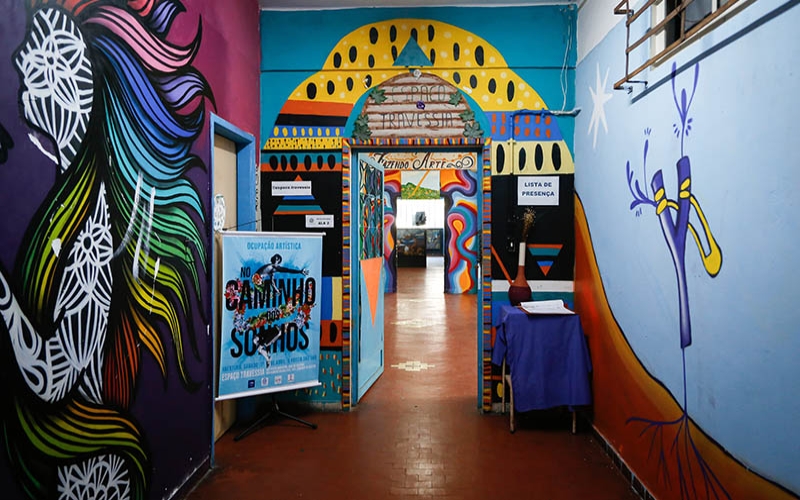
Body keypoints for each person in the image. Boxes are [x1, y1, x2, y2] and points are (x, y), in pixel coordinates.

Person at [0, 2, 212, 498]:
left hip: (86, 473)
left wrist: (4, 300)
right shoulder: (73, 206)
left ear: (75, 90)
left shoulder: (92, 239)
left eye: (43, 53)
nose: (21, 60)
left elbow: (53, 377)